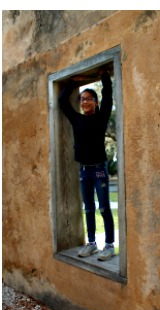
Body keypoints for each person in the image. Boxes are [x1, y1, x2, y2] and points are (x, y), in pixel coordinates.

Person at [59, 70, 115, 261]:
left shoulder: (101, 117)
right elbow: (62, 102)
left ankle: (108, 246)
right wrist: (72, 82)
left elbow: (108, 95)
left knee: (104, 208)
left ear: (96, 102)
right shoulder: (77, 119)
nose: (84, 102)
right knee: (88, 208)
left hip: (99, 169)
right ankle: (91, 243)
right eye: (82, 99)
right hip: (84, 170)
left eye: (89, 99)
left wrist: (104, 76)